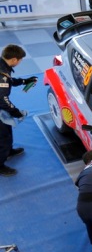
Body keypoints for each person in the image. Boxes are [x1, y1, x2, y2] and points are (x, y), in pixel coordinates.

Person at [0, 44, 36, 177]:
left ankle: (8, 151)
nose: (20, 62)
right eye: (20, 60)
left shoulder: (3, 66)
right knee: (2, 137)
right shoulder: (2, 75)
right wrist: (17, 112)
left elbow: (9, 81)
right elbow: (3, 100)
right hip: (0, 106)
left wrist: (24, 81)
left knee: (7, 131)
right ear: (14, 59)